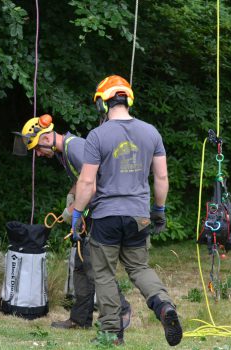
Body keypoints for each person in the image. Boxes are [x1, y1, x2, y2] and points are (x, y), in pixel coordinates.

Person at [70, 75, 183, 346]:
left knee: (105, 274)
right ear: (128, 100)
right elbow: (162, 178)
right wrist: (159, 210)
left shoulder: (97, 136)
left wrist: (76, 214)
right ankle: (164, 306)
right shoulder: (151, 132)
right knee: (139, 267)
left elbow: (87, 182)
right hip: (139, 215)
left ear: (102, 103)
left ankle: (111, 332)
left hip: (106, 217)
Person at [18, 114, 132, 330]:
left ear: (45, 138)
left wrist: (73, 210)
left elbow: (93, 183)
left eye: (36, 149)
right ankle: (80, 320)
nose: (39, 155)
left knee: (94, 265)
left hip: (105, 211)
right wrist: (71, 198)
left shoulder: (76, 148)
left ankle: (123, 310)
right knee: (81, 265)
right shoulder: (66, 154)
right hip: (93, 212)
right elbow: (81, 180)